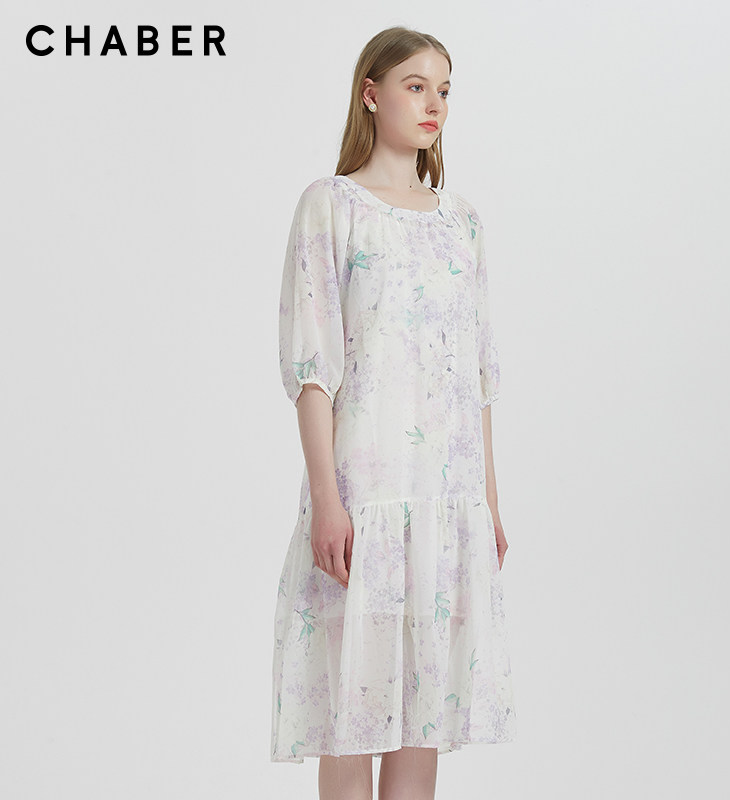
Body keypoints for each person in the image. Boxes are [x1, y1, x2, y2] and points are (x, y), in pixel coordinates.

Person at [271, 25, 517, 800]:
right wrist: (327, 500)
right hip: (364, 495)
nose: (433, 103)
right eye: (416, 86)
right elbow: (314, 372)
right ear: (371, 94)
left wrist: (488, 503)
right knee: (353, 711)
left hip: (447, 499)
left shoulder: (461, 222)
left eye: (443, 89)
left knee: (423, 713)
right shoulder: (330, 206)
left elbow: (476, 376)